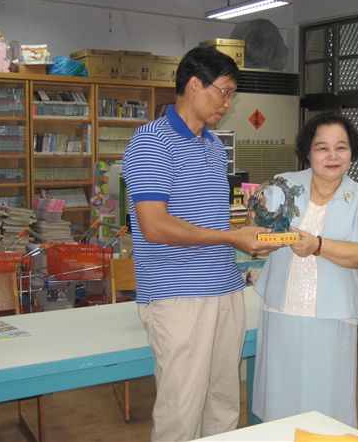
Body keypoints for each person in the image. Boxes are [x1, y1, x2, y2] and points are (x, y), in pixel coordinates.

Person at [122, 46, 275, 442]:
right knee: (181, 411)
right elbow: (154, 226)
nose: (228, 103)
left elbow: (207, 219)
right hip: (178, 297)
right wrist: (230, 237)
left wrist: (248, 232)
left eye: (231, 95)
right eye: (224, 92)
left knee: (223, 404)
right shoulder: (151, 142)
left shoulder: (212, 145)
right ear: (194, 85)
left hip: (225, 289)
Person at [250, 112, 358, 426]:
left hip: (332, 313)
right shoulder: (283, 185)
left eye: (341, 147)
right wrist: (258, 229)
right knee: (280, 395)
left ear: (352, 152)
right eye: (322, 148)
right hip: (282, 308)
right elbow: (256, 235)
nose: (332, 156)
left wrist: (318, 245)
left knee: (326, 397)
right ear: (308, 152)